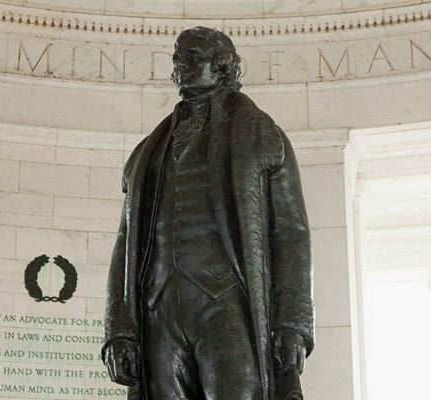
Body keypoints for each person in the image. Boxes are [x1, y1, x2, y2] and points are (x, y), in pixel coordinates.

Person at [102, 27, 314, 400]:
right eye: (178, 57)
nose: (180, 64)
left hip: (227, 304)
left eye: (193, 55)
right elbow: (124, 242)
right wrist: (119, 328)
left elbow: (291, 233)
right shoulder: (147, 152)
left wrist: (292, 324)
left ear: (222, 67)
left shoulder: (262, 135)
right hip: (158, 308)